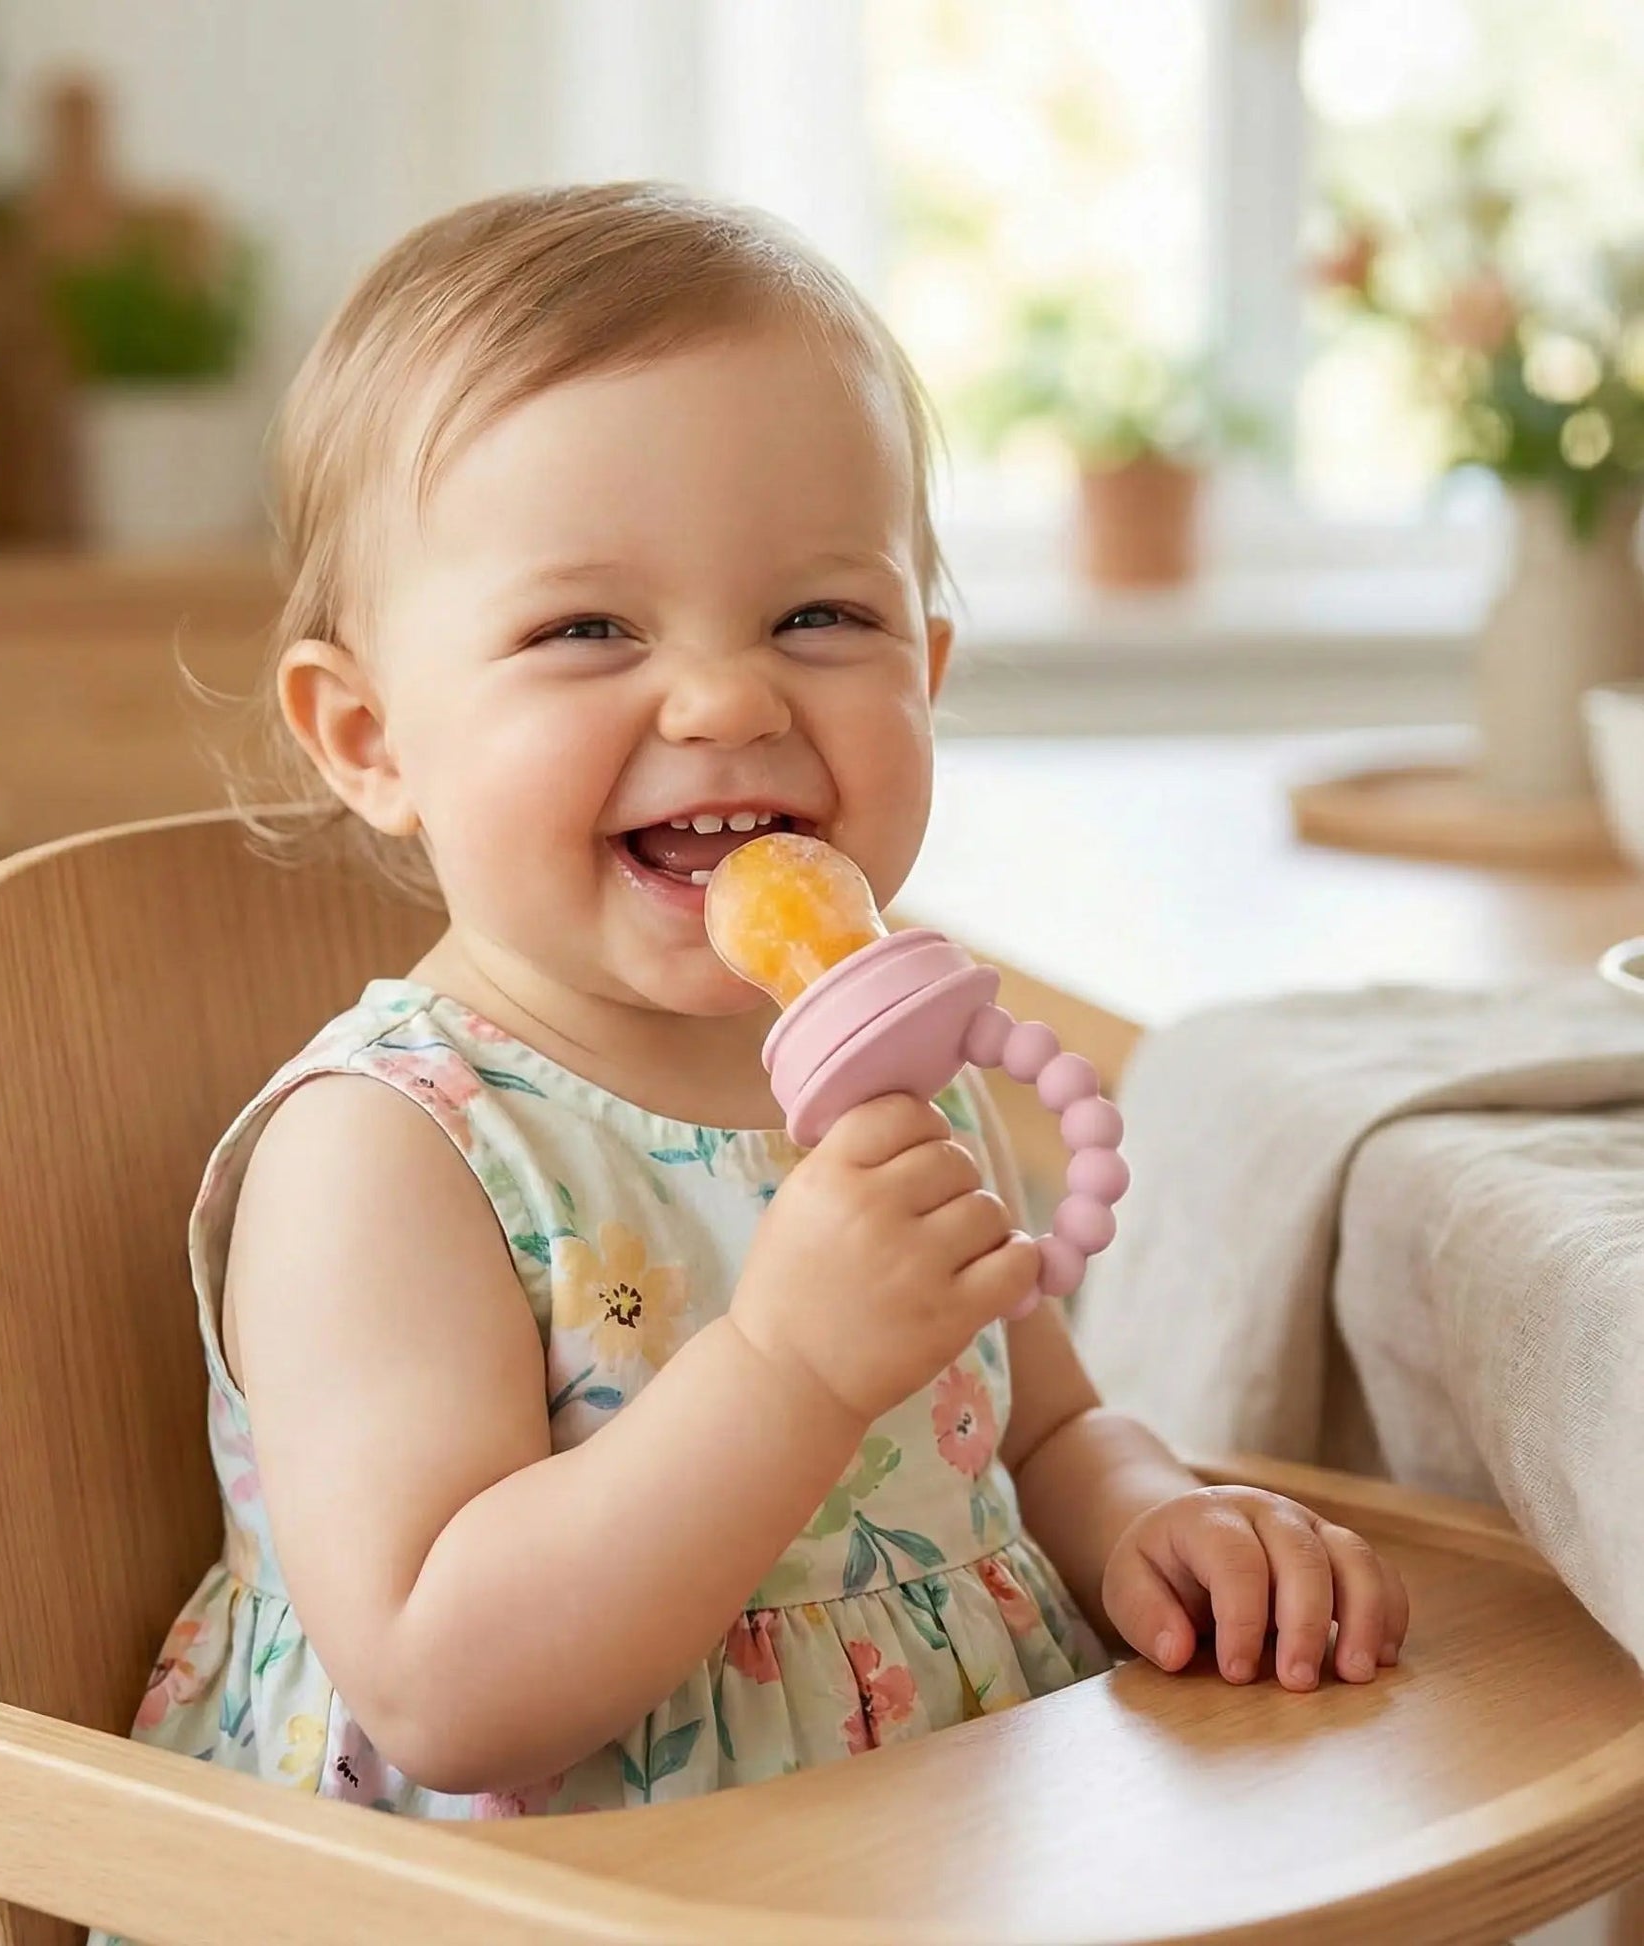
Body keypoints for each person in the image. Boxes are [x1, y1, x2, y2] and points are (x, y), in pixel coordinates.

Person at [120, 182, 1410, 1825]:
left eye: (820, 615)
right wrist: (789, 1364)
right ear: (371, 741)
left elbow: (1037, 1429)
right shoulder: (387, 1155)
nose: (728, 696)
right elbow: (447, 1686)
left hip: (931, 1851)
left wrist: (1150, 1513)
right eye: (585, 629)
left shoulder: (894, 1072)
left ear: (925, 671)